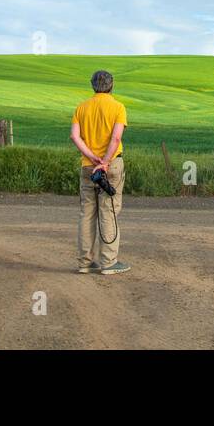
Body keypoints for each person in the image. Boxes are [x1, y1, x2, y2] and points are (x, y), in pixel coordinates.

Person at [70, 70, 129, 275]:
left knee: (87, 214)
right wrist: (104, 162)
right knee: (108, 211)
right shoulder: (118, 107)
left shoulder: (82, 107)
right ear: (112, 85)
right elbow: (115, 139)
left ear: (92, 85)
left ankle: (85, 262)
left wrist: (92, 157)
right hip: (110, 166)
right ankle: (108, 262)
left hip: (88, 166)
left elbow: (75, 137)